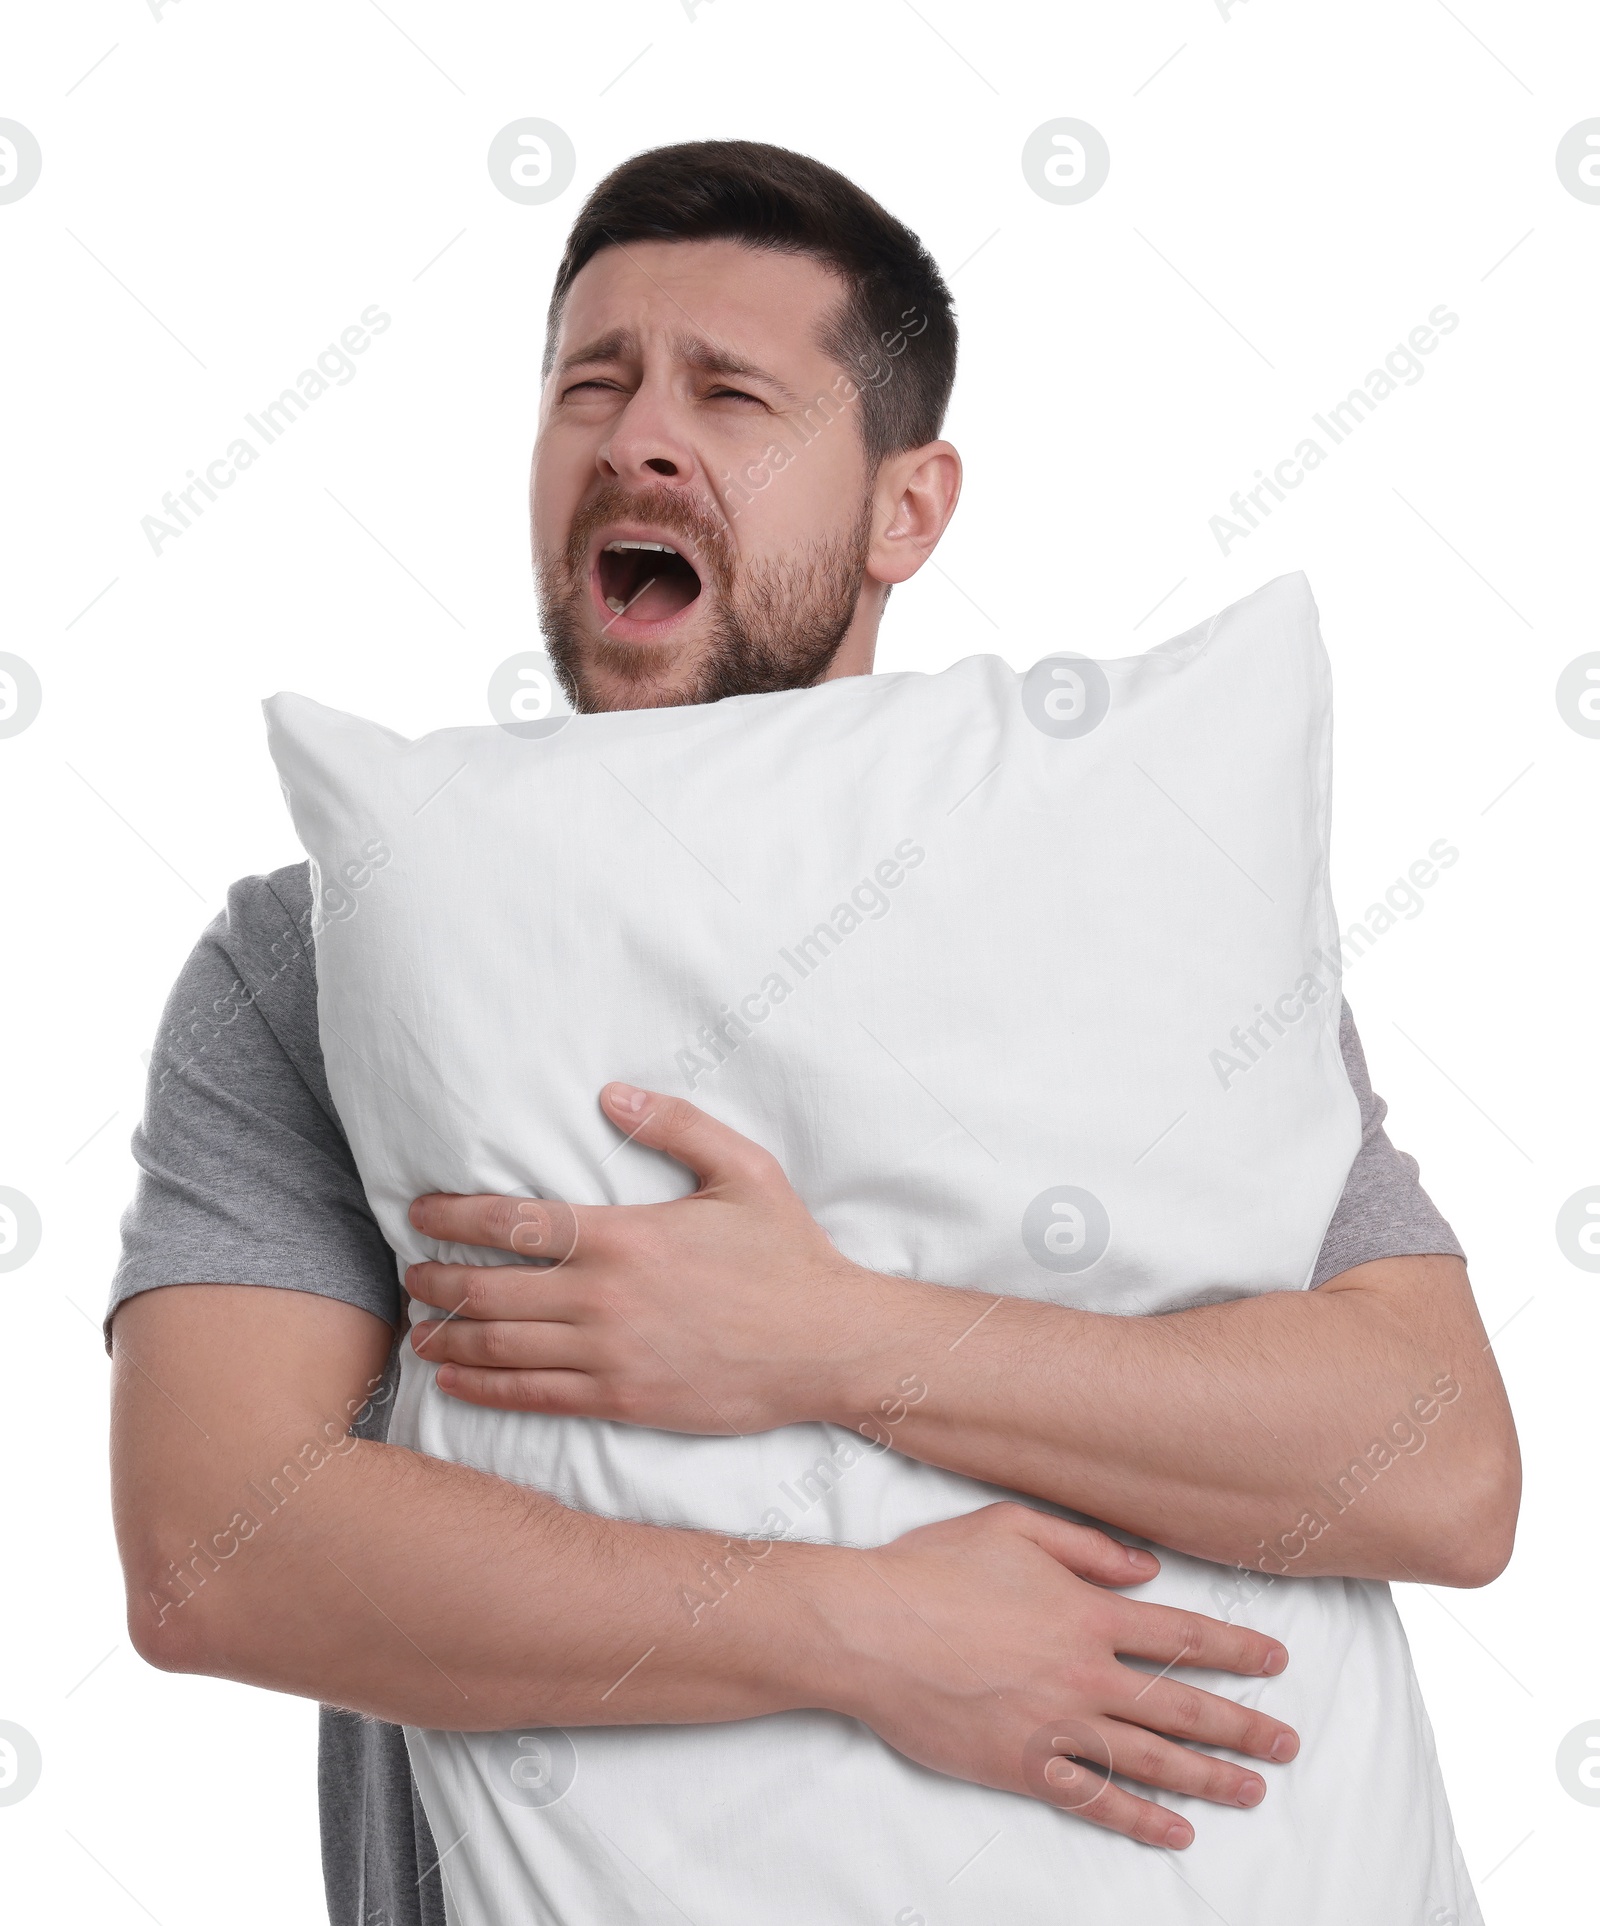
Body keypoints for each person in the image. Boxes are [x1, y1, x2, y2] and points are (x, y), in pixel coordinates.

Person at [107, 141, 1518, 1926]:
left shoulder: (1135, 911)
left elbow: (1445, 1469)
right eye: (590, 388)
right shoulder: (325, 949)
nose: (635, 439)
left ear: (905, 510)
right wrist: (865, 1629)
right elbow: (215, 1557)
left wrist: (832, 1339)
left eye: (733, 394)